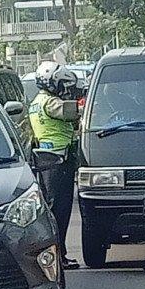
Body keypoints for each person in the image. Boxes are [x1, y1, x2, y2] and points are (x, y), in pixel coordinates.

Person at [29, 61, 80, 270]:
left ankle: (57, 254)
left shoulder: (37, 101)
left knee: (54, 209)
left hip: (48, 160)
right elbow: (72, 113)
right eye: (62, 85)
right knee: (59, 211)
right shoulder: (50, 103)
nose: (65, 90)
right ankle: (59, 256)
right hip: (57, 161)